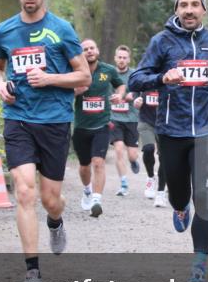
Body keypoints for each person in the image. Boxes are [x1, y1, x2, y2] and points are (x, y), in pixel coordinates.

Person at [129, 0, 208, 282]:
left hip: (207, 131)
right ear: (177, 10)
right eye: (184, 5)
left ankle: (198, 267)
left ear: (204, 9)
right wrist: (162, 77)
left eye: (195, 5)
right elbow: (135, 79)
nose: (189, 10)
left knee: (204, 196)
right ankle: (180, 207)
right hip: (171, 131)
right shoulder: (162, 42)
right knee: (179, 195)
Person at [0, 0, 90, 282]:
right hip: (18, 118)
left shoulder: (61, 29)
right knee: (23, 191)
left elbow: (84, 76)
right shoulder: (4, 30)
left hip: (54, 120)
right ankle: (32, 270)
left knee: (50, 199)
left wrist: (49, 79)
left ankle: (56, 220)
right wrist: (1, 85)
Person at [72, 38, 126, 217]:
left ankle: (96, 200)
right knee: (84, 166)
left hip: (102, 124)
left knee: (98, 162)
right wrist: (75, 91)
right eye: (85, 49)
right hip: (81, 127)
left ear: (97, 51)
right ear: (81, 53)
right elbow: (63, 92)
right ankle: (87, 190)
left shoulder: (108, 70)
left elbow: (120, 84)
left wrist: (119, 95)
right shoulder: (75, 71)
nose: (89, 51)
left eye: (92, 48)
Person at [109, 45, 141, 196]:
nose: (122, 60)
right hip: (114, 117)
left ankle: (133, 161)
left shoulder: (134, 74)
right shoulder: (109, 73)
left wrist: (133, 95)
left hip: (132, 118)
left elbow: (141, 90)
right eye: (119, 57)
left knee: (132, 154)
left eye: (124, 58)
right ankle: (123, 184)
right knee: (118, 149)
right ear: (115, 58)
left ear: (128, 60)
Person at [133, 85, 168, 206]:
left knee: (164, 157)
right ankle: (150, 178)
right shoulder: (145, 78)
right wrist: (136, 100)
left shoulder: (170, 79)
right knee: (148, 148)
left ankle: (160, 193)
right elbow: (135, 91)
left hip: (165, 123)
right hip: (146, 121)